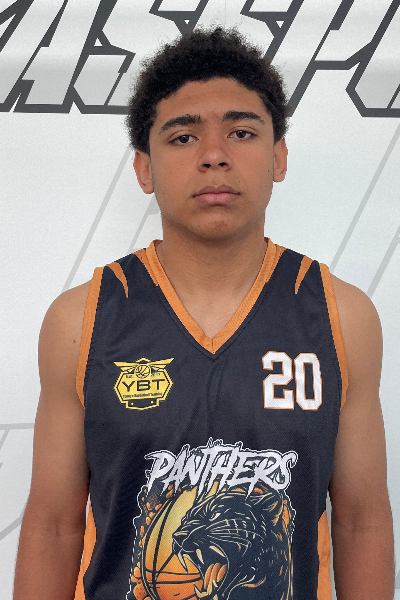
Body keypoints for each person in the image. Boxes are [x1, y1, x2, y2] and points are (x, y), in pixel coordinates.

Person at [14, 27, 394, 600]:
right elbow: (53, 525)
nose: (215, 155)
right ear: (144, 168)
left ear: (278, 156)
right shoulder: (82, 320)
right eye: (183, 137)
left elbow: (362, 521)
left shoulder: (342, 316)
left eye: (241, 132)